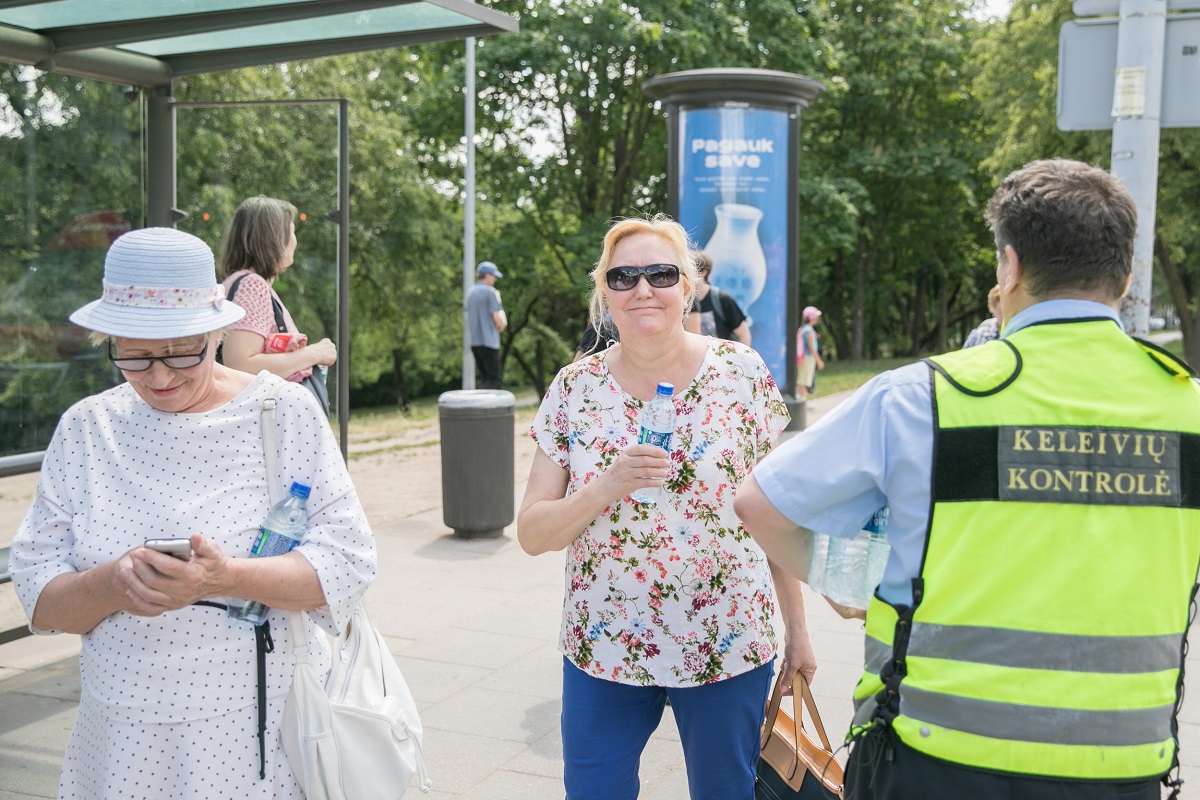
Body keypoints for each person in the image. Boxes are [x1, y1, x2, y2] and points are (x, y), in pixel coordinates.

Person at [734, 159, 1200, 800]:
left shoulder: (921, 396)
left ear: (1008, 267)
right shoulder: (1189, 409)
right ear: (1125, 277)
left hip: (930, 753)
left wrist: (850, 586)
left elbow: (758, 503)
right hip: (1120, 763)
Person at [9, 227, 377, 799]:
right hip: (121, 736)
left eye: (182, 350)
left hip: (255, 734)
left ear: (216, 331)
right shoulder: (87, 428)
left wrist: (225, 577)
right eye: (133, 354)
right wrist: (113, 582)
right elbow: (41, 595)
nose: (159, 377)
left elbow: (348, 565)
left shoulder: (283, 414)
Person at [517, 215, 814, 800]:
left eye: (661, 273)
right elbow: (531, 533)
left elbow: (772, 513)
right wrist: (605, 486)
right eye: (624, 276)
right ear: (605, 292)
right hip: (605, 646)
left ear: (689, 287)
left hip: (726, 642)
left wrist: (799, 632)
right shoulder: (575, 389)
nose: (643, 288)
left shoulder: (741, 374)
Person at [219, 195, 336, 415]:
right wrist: (315, 353)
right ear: (273, 238)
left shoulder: (233, 283)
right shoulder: (252, 285)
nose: (295, 240)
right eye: (291, 231)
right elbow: (241, 365)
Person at [690, 251, 751, 345]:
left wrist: (738, 359)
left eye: (690, 270)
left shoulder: (723, 300)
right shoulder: (685, 301)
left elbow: (744, 334)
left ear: (703, 272)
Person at [467, 260, 507, 389]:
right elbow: (496, 317)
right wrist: (501, 326)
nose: (495, 279)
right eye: (494, 276)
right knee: (494, 380)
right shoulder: (490, 292)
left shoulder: (470, 292)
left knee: (485, 378)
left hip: (475, 343)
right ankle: (490, 408)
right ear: (488, 275)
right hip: (489, 341)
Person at [796, 305, 825, 399]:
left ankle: (800, 399)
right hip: (808, 358)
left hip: (801, 358)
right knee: (804, 381)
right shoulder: (810, 331)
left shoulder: (802, 329)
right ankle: (802, 401)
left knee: (801, 380)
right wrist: (819, 361)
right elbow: (812, 348)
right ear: (812, 318)